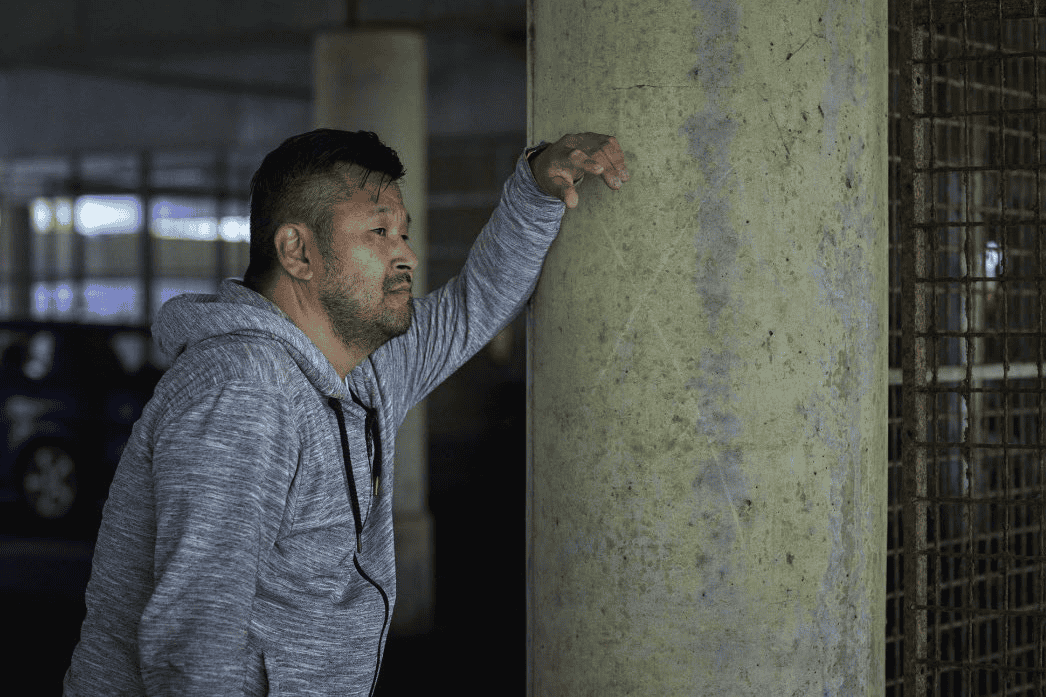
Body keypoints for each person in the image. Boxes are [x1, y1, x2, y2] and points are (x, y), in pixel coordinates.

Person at [62, 128, 628, 696]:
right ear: (298, 252)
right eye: (378, 232)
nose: (406, 253)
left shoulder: (364, 366)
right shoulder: (244, 391)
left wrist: (536, 188)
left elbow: (472, 305)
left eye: (403, 233)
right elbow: (194, 640)